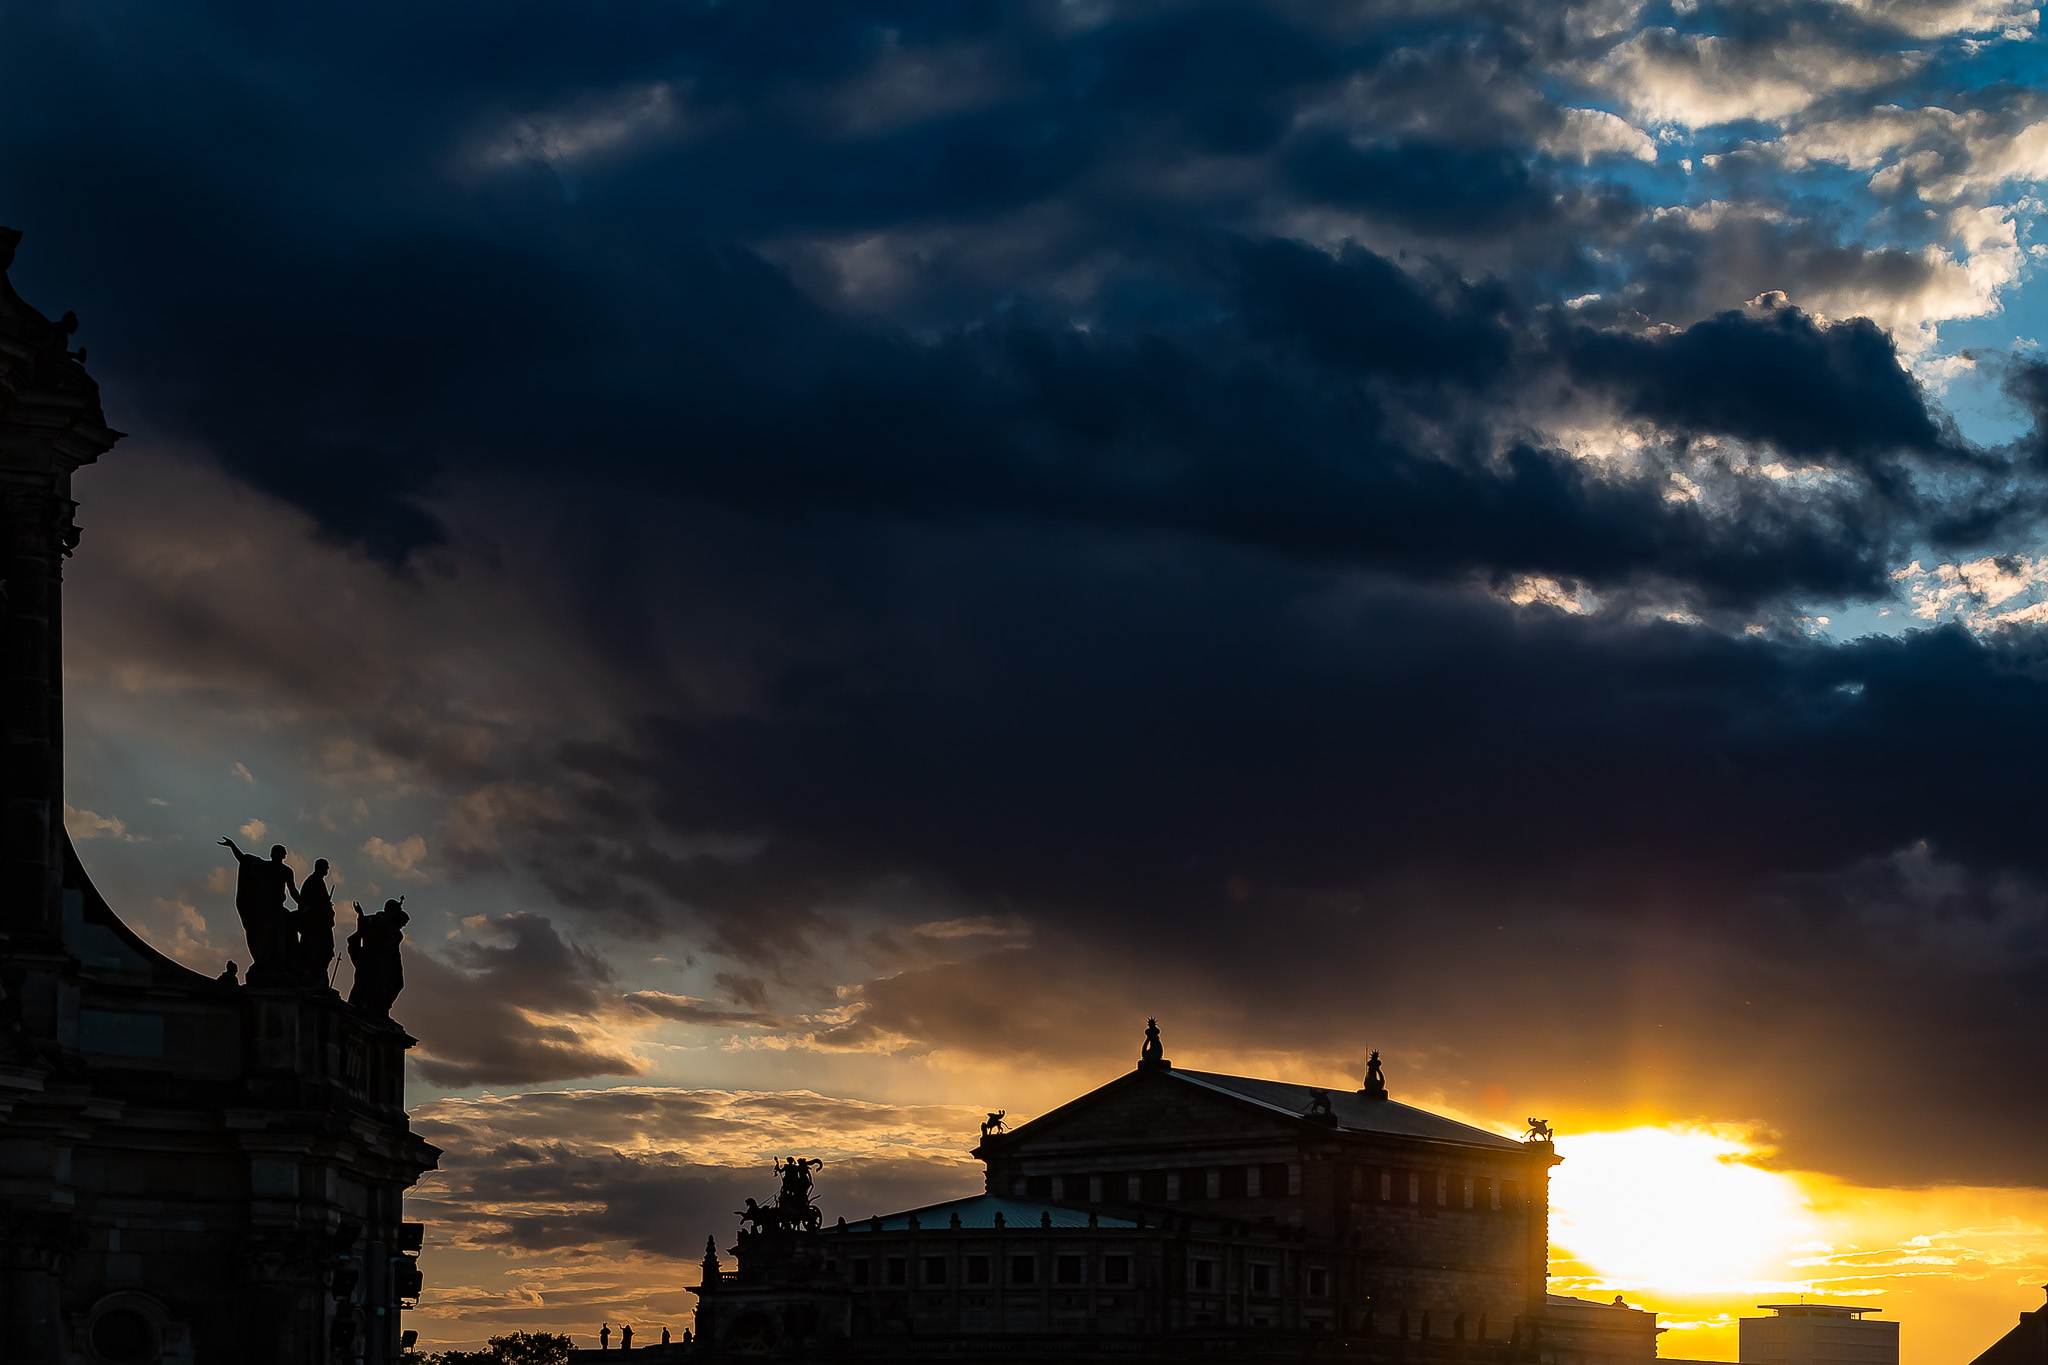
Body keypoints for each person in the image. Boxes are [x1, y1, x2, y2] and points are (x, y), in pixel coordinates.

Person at [218, 837, 297, 984]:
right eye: (277, 853)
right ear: (273, 855)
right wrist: (233, 845)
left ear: (283, 856)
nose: (278, 856)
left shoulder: (286, 871)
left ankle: (279, 967)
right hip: (264, 910)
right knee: (263, 939)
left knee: (280, 940)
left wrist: (305, 904)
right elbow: (243, 859)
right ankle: (264, 964)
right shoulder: (264, 866)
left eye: (280, 854)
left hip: (277, 910)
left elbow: (294, 892)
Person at [291, 857, 337, 985]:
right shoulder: (313, 881)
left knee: (326, 950)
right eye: (326, 866)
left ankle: (318, 974)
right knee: (318, 949)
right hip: (314, 924)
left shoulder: (318, 882)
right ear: (319, 867)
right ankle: (313, 975)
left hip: (320, 923)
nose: (328, 869)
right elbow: (309, 904)